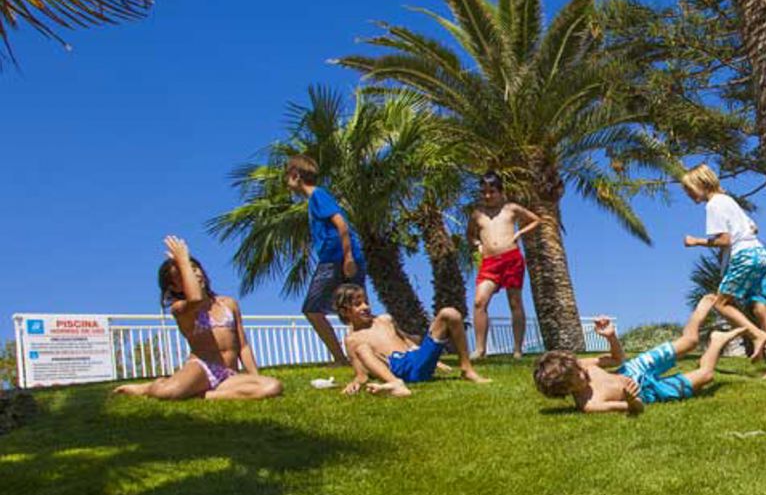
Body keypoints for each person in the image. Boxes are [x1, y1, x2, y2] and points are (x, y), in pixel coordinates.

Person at [114, 236, 283, 400]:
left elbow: (243, 346)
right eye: (184, 273)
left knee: (272, 387)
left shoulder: (229, 303)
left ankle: (206, 395)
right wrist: (182, 259)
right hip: (201, 368)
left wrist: (255, 377)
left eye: (195, 269)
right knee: (167, 393)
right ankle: (147, 387)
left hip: (228, 374)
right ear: (174, 286)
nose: (194, 274)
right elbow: (195, 298)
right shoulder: (180, 308)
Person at [532, 295, 742, 415]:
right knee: (706, 375)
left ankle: (700, 312)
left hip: (634, 368)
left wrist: (611, 337)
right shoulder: (591, 404)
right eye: (575, 377)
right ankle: (717, 340)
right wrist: (633, 400)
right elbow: (636, 409)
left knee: (689, 342)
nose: (582, 373)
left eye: (578, 368)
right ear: (565, 390)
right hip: (648, 391)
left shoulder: (581, 366)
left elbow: (617, 360)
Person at [680, 163, 766, 379]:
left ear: (701, 183)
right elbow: (753, 227)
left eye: (689, 189)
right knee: (760, 308)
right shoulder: (729, 201)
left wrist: (696, 241)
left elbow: (724, 240)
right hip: (759, 253)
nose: (688, 194)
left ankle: (756, 335)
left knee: (720, 303)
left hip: (744, 256)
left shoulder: (713, 205)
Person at [333, 284, 487, 397]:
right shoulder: (352, 339)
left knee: (450, 313)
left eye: (366, 302)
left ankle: (467, 370)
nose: (365, 307)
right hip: (396, 369)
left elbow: (406, 341)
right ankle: (395, 384)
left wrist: (435, 361)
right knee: (362, 349)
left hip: (416, 359)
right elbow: (362, 374)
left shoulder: (385, 320)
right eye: (358, 304)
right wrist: (357, 382)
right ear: (344, 311)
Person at [286, 154, 366, 366]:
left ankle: (341, 358)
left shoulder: (318, 196)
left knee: (312, 309)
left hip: (337, 260)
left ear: (296, 175)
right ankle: (374, 351)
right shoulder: (316, 199)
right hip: (340, 258)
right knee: (357, 309)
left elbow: (341, 224)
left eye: (288, 175)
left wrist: (348, 257)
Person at [467, 171, 540, 360]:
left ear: (500, 191)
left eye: (492, 191)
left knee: (515, 303)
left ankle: (517, 349)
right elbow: (471, 235)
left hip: (511, 259)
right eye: (484, 192)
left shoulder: (511, 209)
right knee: (479, 302)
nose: (488, 196)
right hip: (489, 263)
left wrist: (519, 233)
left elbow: (536, 220)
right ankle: (480, 349)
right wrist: (478, 245)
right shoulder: (477, 214)